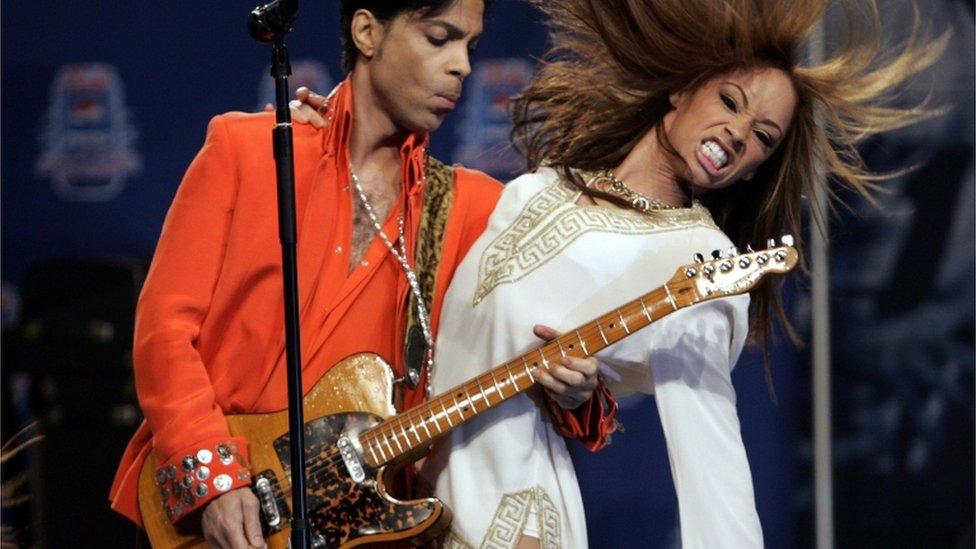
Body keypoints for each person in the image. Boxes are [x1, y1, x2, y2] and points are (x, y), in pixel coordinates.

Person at [298, 0, 945, 547]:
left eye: (764, 137)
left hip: (513, 522)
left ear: (756, 169)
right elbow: (401, 240)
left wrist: (581, 398)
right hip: (405, 508)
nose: (738, 132)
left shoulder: (701, 261)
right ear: (681, 88)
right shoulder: (536, 188)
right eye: (730, 100)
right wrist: (333, 134)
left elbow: (711, 452)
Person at [108, 2, 613, 548]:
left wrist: (578, 394)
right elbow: (164, 331)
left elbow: (546, 363)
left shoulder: (475, 209)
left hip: (358, 530)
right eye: (439, 38)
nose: (462, 66)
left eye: (470, 46)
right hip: (210, 518)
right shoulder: (247, 150)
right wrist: (214, 482)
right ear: (368, 31)